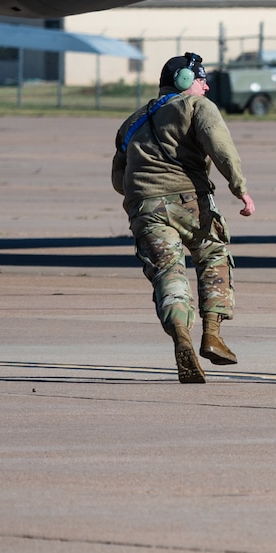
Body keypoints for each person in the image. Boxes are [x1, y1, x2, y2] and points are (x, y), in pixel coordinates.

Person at [111, 52, 256, 383]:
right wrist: (240, 189)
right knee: (214, 255)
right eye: (202, 80)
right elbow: (221, 148)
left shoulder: (132, 121)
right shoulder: (198, 107)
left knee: (168, 272)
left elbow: (119, 178)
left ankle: (180, 334)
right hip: (190, 202)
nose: (206, 87)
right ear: (185, 81)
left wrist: (146, 196)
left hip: (144, 208)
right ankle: (212, 334)